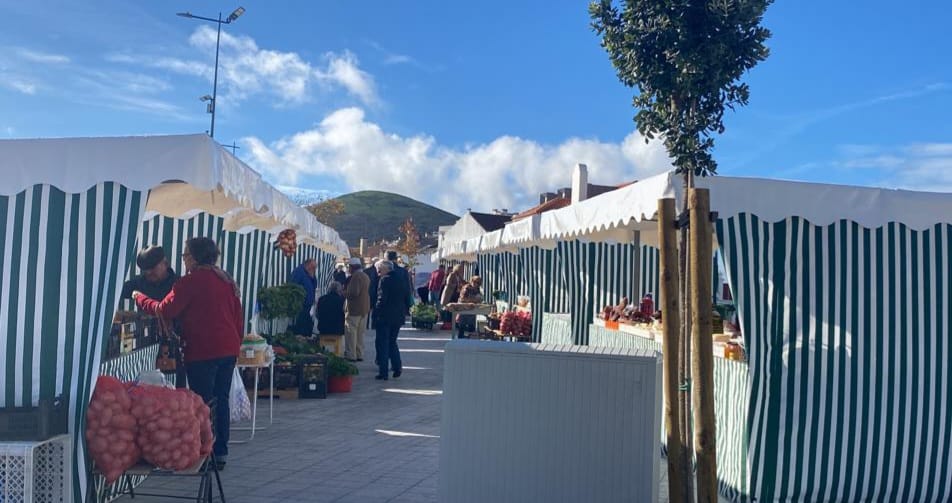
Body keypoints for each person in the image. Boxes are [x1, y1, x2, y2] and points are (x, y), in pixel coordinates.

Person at [133, 237, 243, 470]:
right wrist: (235, 346)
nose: (183, 259)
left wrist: (139, 298)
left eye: (185, 255)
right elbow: (238, 317)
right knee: (221, 400)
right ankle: (220, 452)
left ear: (194, 257)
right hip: (228, 348)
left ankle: (205, 453)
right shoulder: (226, 279)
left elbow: (164, 310)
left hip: (203, 350)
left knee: (203, 402)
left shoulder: (190, 282)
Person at [120, 246, 188, 387]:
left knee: (176, 390)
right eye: (145, 269)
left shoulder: (178, 284)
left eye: (152, 268)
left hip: (173, 347)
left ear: (165, 263)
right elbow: (115, 291)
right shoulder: (139, 283)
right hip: (145, 348)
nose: (148, 272)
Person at [373, 260, 411, 380]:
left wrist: (376, 312)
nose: (378, 272)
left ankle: (383, 372)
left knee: (383, 344)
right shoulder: (401, 279)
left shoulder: (384, 280)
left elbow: (381, 299)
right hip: (398, 316)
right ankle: (397, 366)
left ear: (387, 269)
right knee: (392, 342)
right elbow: (407, 297)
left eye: (380, 269)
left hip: (385, 316)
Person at [343, 257, 370, 362]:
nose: (348, 269)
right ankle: (359, 354)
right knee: (360, 334)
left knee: (351, 332)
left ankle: (351, 354)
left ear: (352, 267)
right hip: (364, 308)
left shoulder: (356, 276)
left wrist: (343, 293)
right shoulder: (365, 276)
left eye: (349, 267)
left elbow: (354, 292)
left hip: (354, 309)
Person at [290, 258, 318, 335]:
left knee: (305, 320)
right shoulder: (298, 272)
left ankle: (304, 335)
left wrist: (312, 277)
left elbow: (315, 285)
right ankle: (301, 335)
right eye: (313, 267)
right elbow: (293, 285)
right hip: (302, 303)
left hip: (308, 302)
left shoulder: (310, 272)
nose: (314, 269)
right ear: (307, 265)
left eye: (315, 268)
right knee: (302, 320)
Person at [440, 264, 465, 329]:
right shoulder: (452, 274)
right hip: (449, 294)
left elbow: (462, 281)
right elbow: (448, 283)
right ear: (457, 269)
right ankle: (448, 323)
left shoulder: (459, 276)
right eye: (461, 269)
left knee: (453, 308)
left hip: (455, 294)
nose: (462, 271)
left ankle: (452, 322)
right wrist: (456, 285)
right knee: (449, 308)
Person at [364, 258, 380, 329]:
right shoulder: (367, 271)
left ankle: (372, 325)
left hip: (374, 293)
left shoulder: (380, 270)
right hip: (371, 293)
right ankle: (369, 325)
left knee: (374, 311)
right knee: (368, 310)